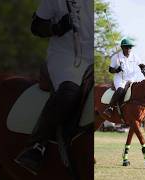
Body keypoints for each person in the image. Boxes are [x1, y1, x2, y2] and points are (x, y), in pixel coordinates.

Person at [14, 0, 92, 174]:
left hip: (91, 59)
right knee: (70, 92)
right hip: (64, 58)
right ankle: (36, 146)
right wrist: (56, 27)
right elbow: (37, 26)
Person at [103, 38, 145, 117]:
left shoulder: (135, 56)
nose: (128, 49)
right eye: (126, 47)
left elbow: (141, 65)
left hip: (132, 79)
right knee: (121, 90)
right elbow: (110, 69)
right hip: (120, 79)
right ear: (122, 47)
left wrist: (144, 70)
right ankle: (110, 107)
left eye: (130, 47)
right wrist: (117, 70)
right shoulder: (116, 57)